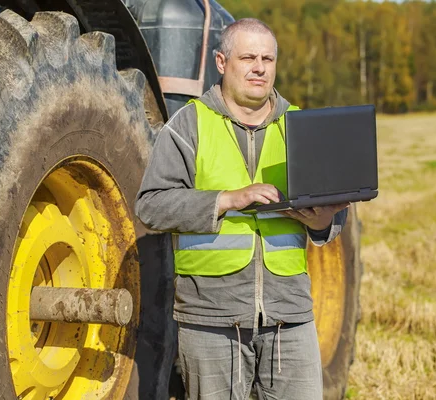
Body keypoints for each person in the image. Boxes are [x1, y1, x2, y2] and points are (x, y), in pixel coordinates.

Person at [135, 18, 349, 400]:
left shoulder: (299, 124)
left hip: (291, 319)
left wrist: (324, 221)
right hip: (211, 322)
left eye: (268, 58)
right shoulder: (189, 125)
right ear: (221, 62)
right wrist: (225, 199)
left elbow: (331, 207)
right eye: (248, 57)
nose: (260, 67)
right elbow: (151, 205)